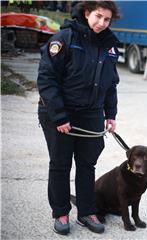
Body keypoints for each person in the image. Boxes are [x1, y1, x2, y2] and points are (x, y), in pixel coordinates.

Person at [37, 1, 120, 235]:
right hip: (60, 112)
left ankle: (86, 212)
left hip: (91, 113)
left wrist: (111, 114)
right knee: (61, 164)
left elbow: (110, 84)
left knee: (87, 164)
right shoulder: (65, 39)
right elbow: (46, 79)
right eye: (98, 16)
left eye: (107, 19)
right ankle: (61, 213)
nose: (102, 23)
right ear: (86, 13)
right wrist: (59, 116)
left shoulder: (109, 45)